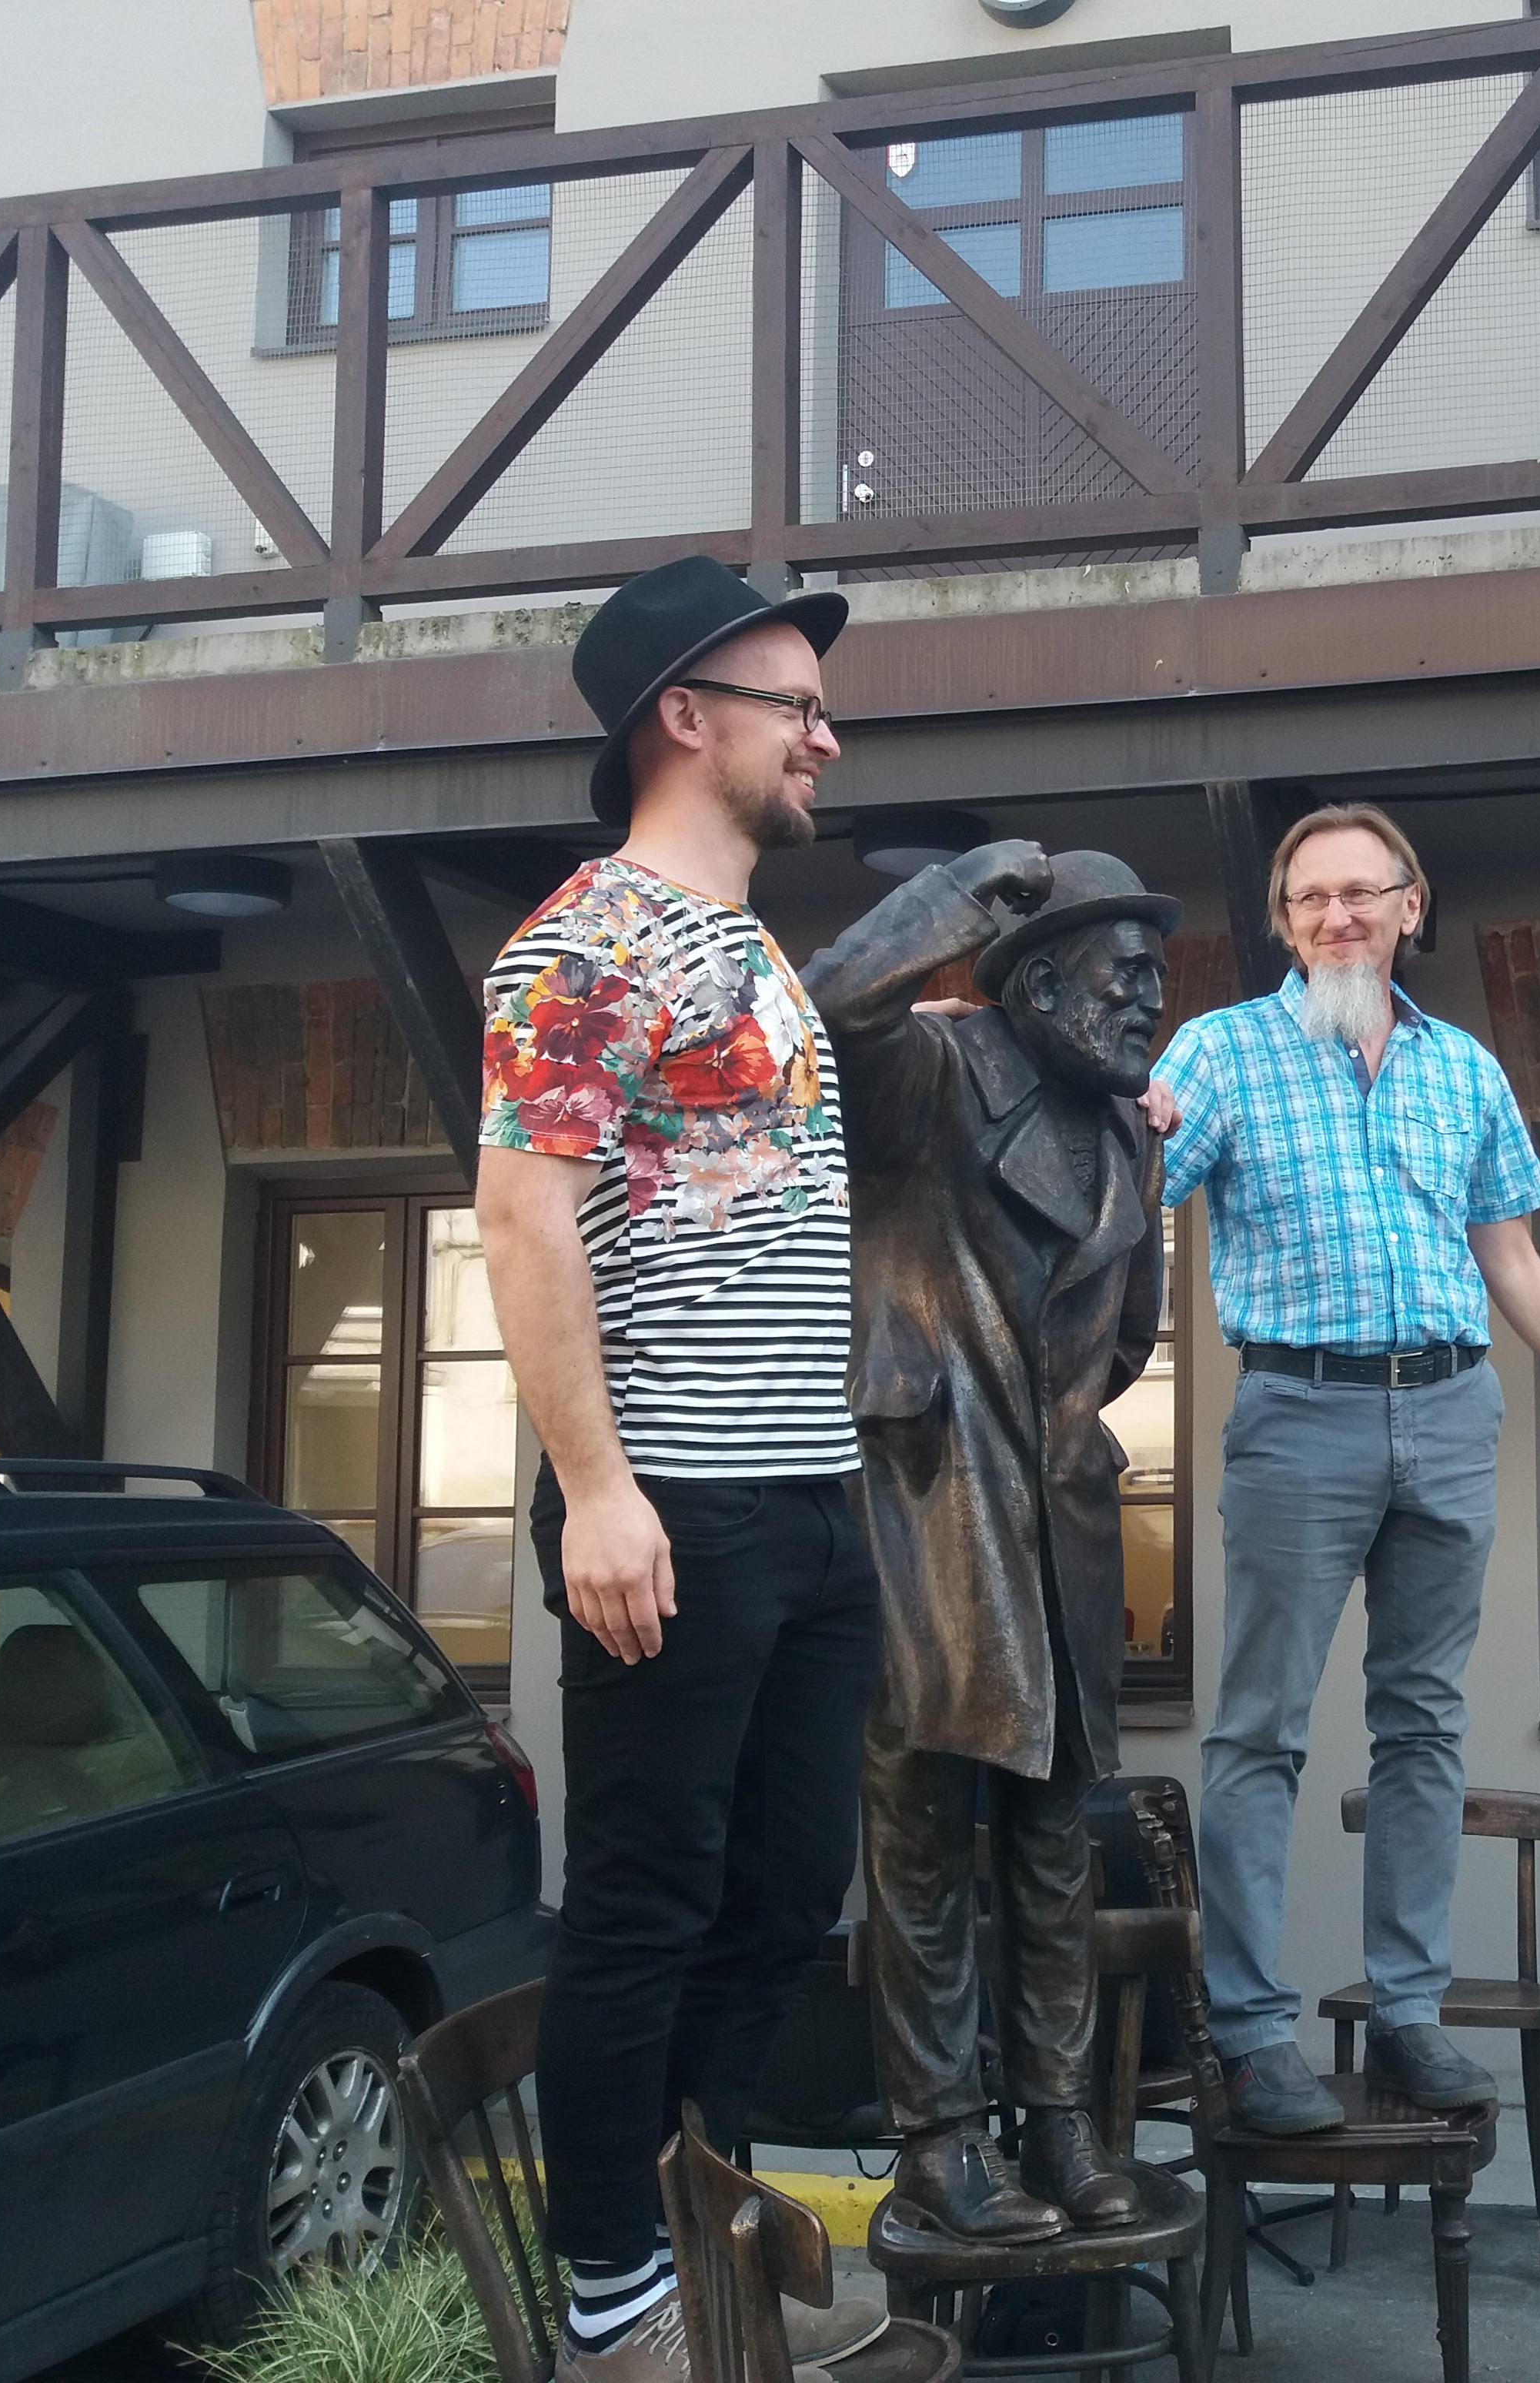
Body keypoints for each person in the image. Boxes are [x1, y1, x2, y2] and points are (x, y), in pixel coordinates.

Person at [476, 554, 887, 2382]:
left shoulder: (752, 951)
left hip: (807, 1499)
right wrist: (598, 1487)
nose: (826, 735)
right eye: (797, 703)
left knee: (788, 1892)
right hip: (674, 1499)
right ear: (683, 714)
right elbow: (521, 1216)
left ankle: (699, 2233)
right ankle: (613, 2310)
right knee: (646, 1902)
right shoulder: (583, 942)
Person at [1138, 802, 1540, 2134]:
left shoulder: (1463, 1070)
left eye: (1359, 894)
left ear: (1408, 906)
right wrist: (1113, 1118)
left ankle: (1408, 2011)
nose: (1335, 918)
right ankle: (1251, 2032)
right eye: (1308, 899)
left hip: (1449, 1408)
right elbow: (1126, 1192)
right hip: (1297, 1412)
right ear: (1282, 922)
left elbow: (1512, 1262)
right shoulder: (1222, 1051)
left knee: (1423, 1721)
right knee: (1259, 1727)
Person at [801, 843, 1176, 2242]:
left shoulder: (1132, 1129)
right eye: (1121, 973)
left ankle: (1060, 2123)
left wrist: (1058, 1428)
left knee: (1055, 1828)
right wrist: (961, 894)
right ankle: (941, 2139)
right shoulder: (935, 1075)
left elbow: (1126, 1334)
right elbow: (830, 1005)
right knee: (920, 1828)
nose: (1148, 998)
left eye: (1156, 975)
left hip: (1058, 1501)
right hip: (928, 1489)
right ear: (1036, 982)